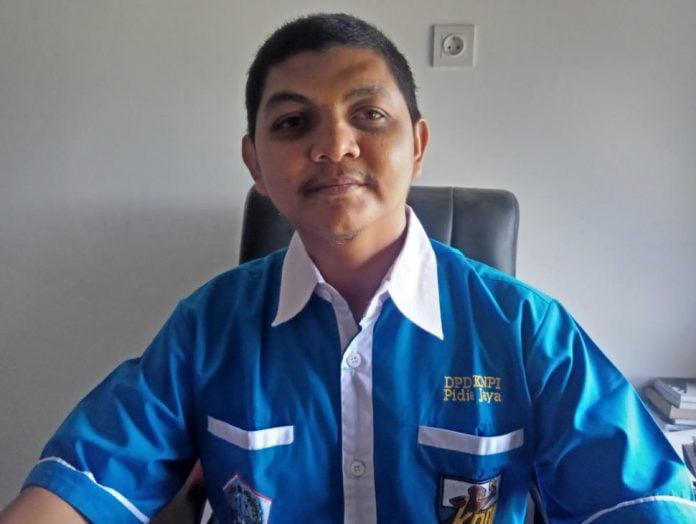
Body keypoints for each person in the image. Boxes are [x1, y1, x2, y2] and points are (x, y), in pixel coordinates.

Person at [1, 12, 695, 524]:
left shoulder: (525, 329)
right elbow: (76, 491)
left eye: (368, 114)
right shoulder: (206, 328)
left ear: (416, 144)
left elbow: (639, 502)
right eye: (292, 123)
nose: (335, 145)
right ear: (255, 163)